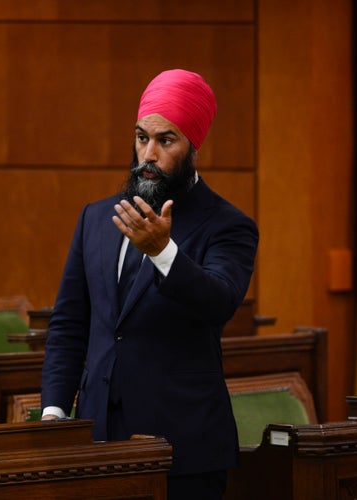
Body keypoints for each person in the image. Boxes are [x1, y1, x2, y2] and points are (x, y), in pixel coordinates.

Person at [40, 68, 259, 499]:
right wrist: (54, 411)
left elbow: (220, 302)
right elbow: (70, 323)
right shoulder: (97, 219)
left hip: (184, 449)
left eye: (165, 140)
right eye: (142, 137)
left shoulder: (229, 225)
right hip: (99, 440)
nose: (149, 154)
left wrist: (163, 253)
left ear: (193, 147)